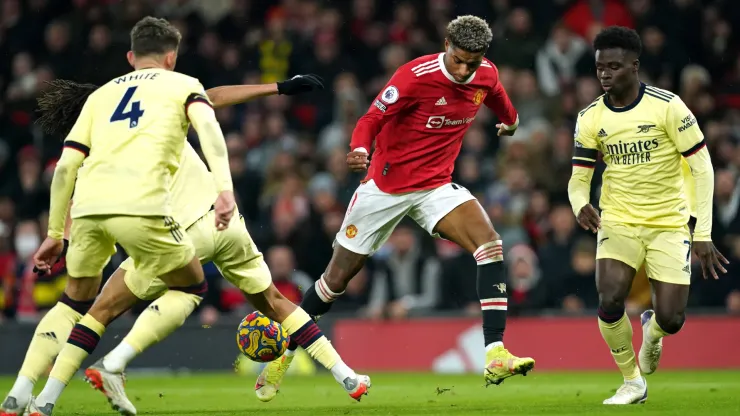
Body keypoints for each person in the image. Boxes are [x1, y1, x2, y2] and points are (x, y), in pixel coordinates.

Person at [1, 74, 369, 416]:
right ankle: (347, 376)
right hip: (228, 224)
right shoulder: (160, 112)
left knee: (96, 310)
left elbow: (75, 191)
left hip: (179, 233)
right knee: (275, 301)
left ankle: (53, 394)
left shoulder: (99, 154)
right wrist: (278, 87)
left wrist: (58, 236)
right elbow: (213, 99)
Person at [255, 15, 535, 402]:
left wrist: (512, 124)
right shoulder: (414, 76)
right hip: (384, 189)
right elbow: (371, 118)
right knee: (334, 282)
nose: (465, 70)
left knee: (490, 244)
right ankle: (283, 355)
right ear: (446, 45)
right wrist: (358, 148)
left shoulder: (485, 74)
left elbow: (503, 104)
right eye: (458, 60)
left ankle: (495, 353)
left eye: (473, 62)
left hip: (435, 186)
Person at [567, 26, 728, 405]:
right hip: (618, 220)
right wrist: (580, 205)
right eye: (600, 68)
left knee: (672, 318)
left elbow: (703, 169)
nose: (605, 74)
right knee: (609, 297)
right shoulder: (590, 118)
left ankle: (651, 333)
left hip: (669, 223)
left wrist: (702, 232)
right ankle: (632, 382)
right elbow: (578, 179)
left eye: (614, 66)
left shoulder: (667, 106)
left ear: (634, 66)